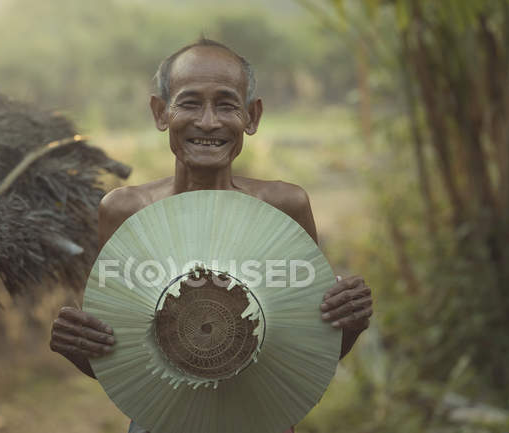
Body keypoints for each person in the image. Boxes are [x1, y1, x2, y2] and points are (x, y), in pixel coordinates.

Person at [49, 38, 373, 433]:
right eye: (188, 102)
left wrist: (350, 322)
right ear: (160, 112)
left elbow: (306, 354)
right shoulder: (125, 212)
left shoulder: (284, 208)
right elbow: (125, 365)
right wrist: (78, 347)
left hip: (261, 421)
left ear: (251, 117)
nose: (207, 122)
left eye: (226, 104)